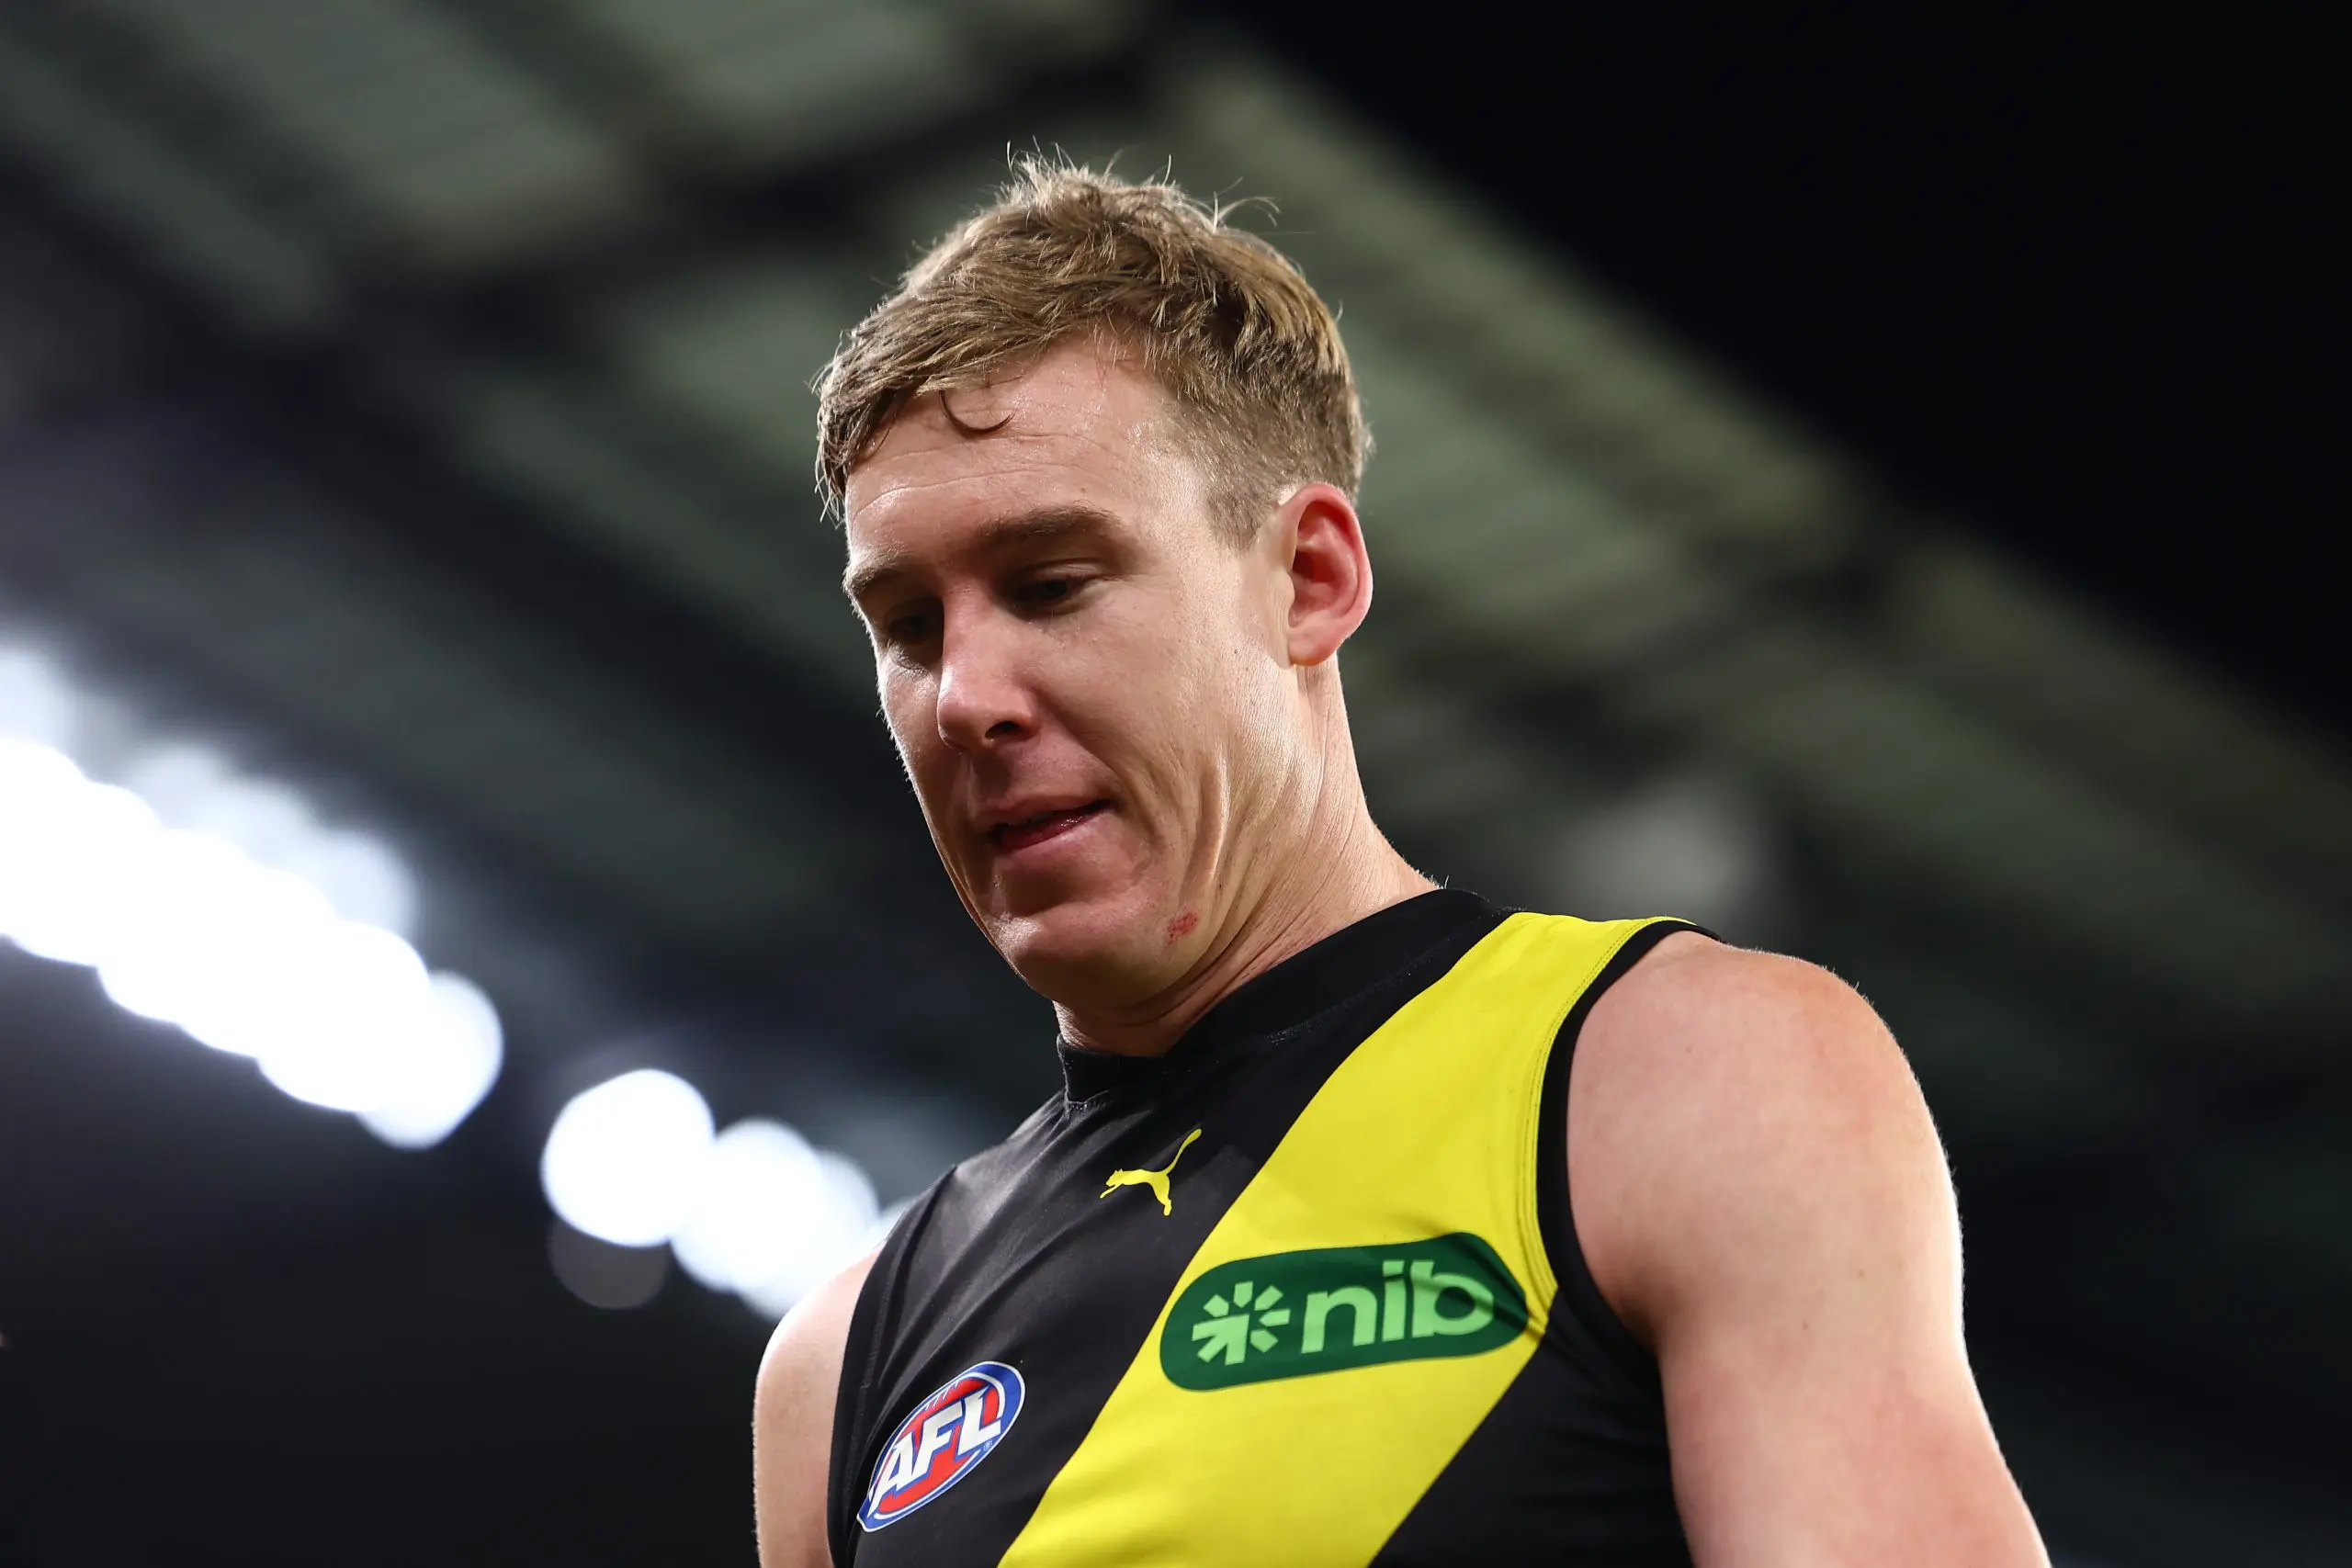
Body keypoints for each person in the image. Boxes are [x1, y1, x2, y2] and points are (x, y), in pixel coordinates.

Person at [754, 162, 2048, 1567]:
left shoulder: (1685, 1079)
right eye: (909, 626)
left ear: (1309, 579)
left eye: (1053, 583)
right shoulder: (838, 1371)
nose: (964, 696)